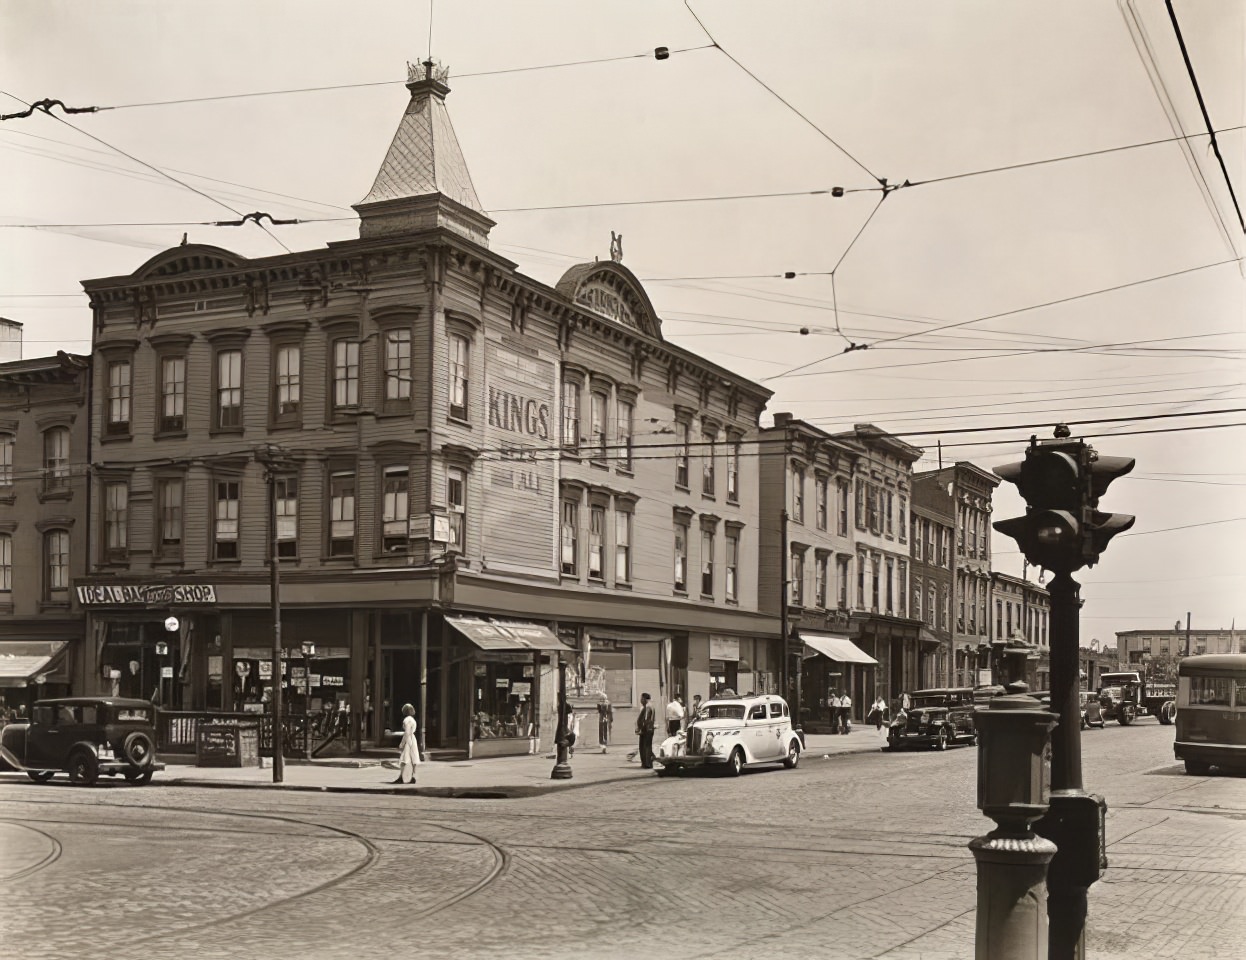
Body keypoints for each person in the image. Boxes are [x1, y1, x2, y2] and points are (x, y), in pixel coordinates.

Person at [393, 702, 421, 785]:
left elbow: (407, 732)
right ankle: (414, 776)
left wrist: (402, 743)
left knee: (403, 759)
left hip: (408, 740)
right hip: (413, 739)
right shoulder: (413, 720)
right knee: (414, 758)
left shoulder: (407, 720)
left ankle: (401, 777)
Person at [636, 692, 656, 769]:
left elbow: (646, 719)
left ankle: (646, 763)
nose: (641, 700)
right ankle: (648, 762)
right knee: (648, 745)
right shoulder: (651, 706)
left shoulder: (647, 707)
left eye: (641, 698)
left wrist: (641, 728)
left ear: (645, 699)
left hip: (646, 729)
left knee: (644, 746)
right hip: (650, 728)